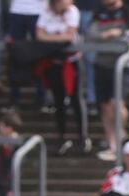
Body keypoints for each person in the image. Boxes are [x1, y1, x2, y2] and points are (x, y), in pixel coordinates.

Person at [36, 0, 89, 155]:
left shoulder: (72, 11)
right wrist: (59, 39)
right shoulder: (46, 11)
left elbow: (69, 35)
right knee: (58, 100)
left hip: (71, 62)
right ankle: (61, 137)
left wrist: (51, 37)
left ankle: (82, 136)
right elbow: (39, 35)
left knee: (76, 99)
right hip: (54, 62)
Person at [89, 0, 129, 161]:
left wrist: (115, 34)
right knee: (105, 106)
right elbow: (91, 34)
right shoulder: (99, 12)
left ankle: (120, 132)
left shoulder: (128, 12)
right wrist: (110, 34)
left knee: (117, 103)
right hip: (102, 63)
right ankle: (112, 145)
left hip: (122, 63)